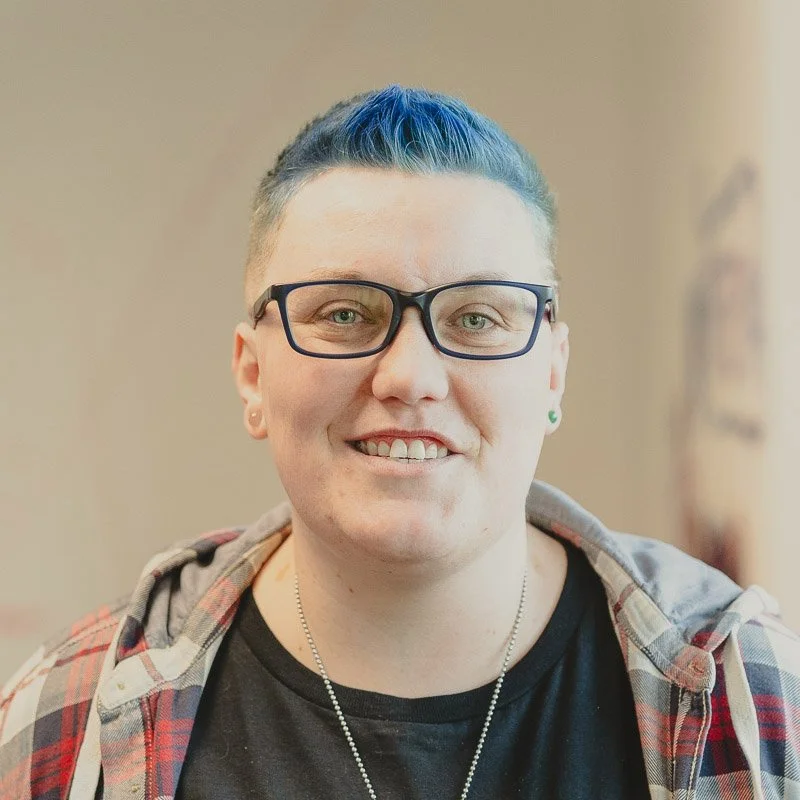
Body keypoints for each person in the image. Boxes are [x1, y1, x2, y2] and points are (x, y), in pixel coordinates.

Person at [1, 85, 798, 800]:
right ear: (252, 375)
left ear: (552, 374)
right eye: (345, 313)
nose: (410, 376)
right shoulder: (65, 727)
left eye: (476, 318)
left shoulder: (749, 695)